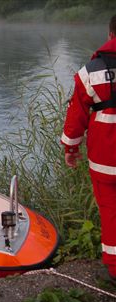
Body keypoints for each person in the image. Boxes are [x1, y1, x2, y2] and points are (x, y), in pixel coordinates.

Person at [61, 15, 116, 282]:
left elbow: (76, 117)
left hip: (105, 160)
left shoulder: (90, 72)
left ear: (110, 34)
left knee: (110, 210)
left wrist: (70, 148)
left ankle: (115, 270)